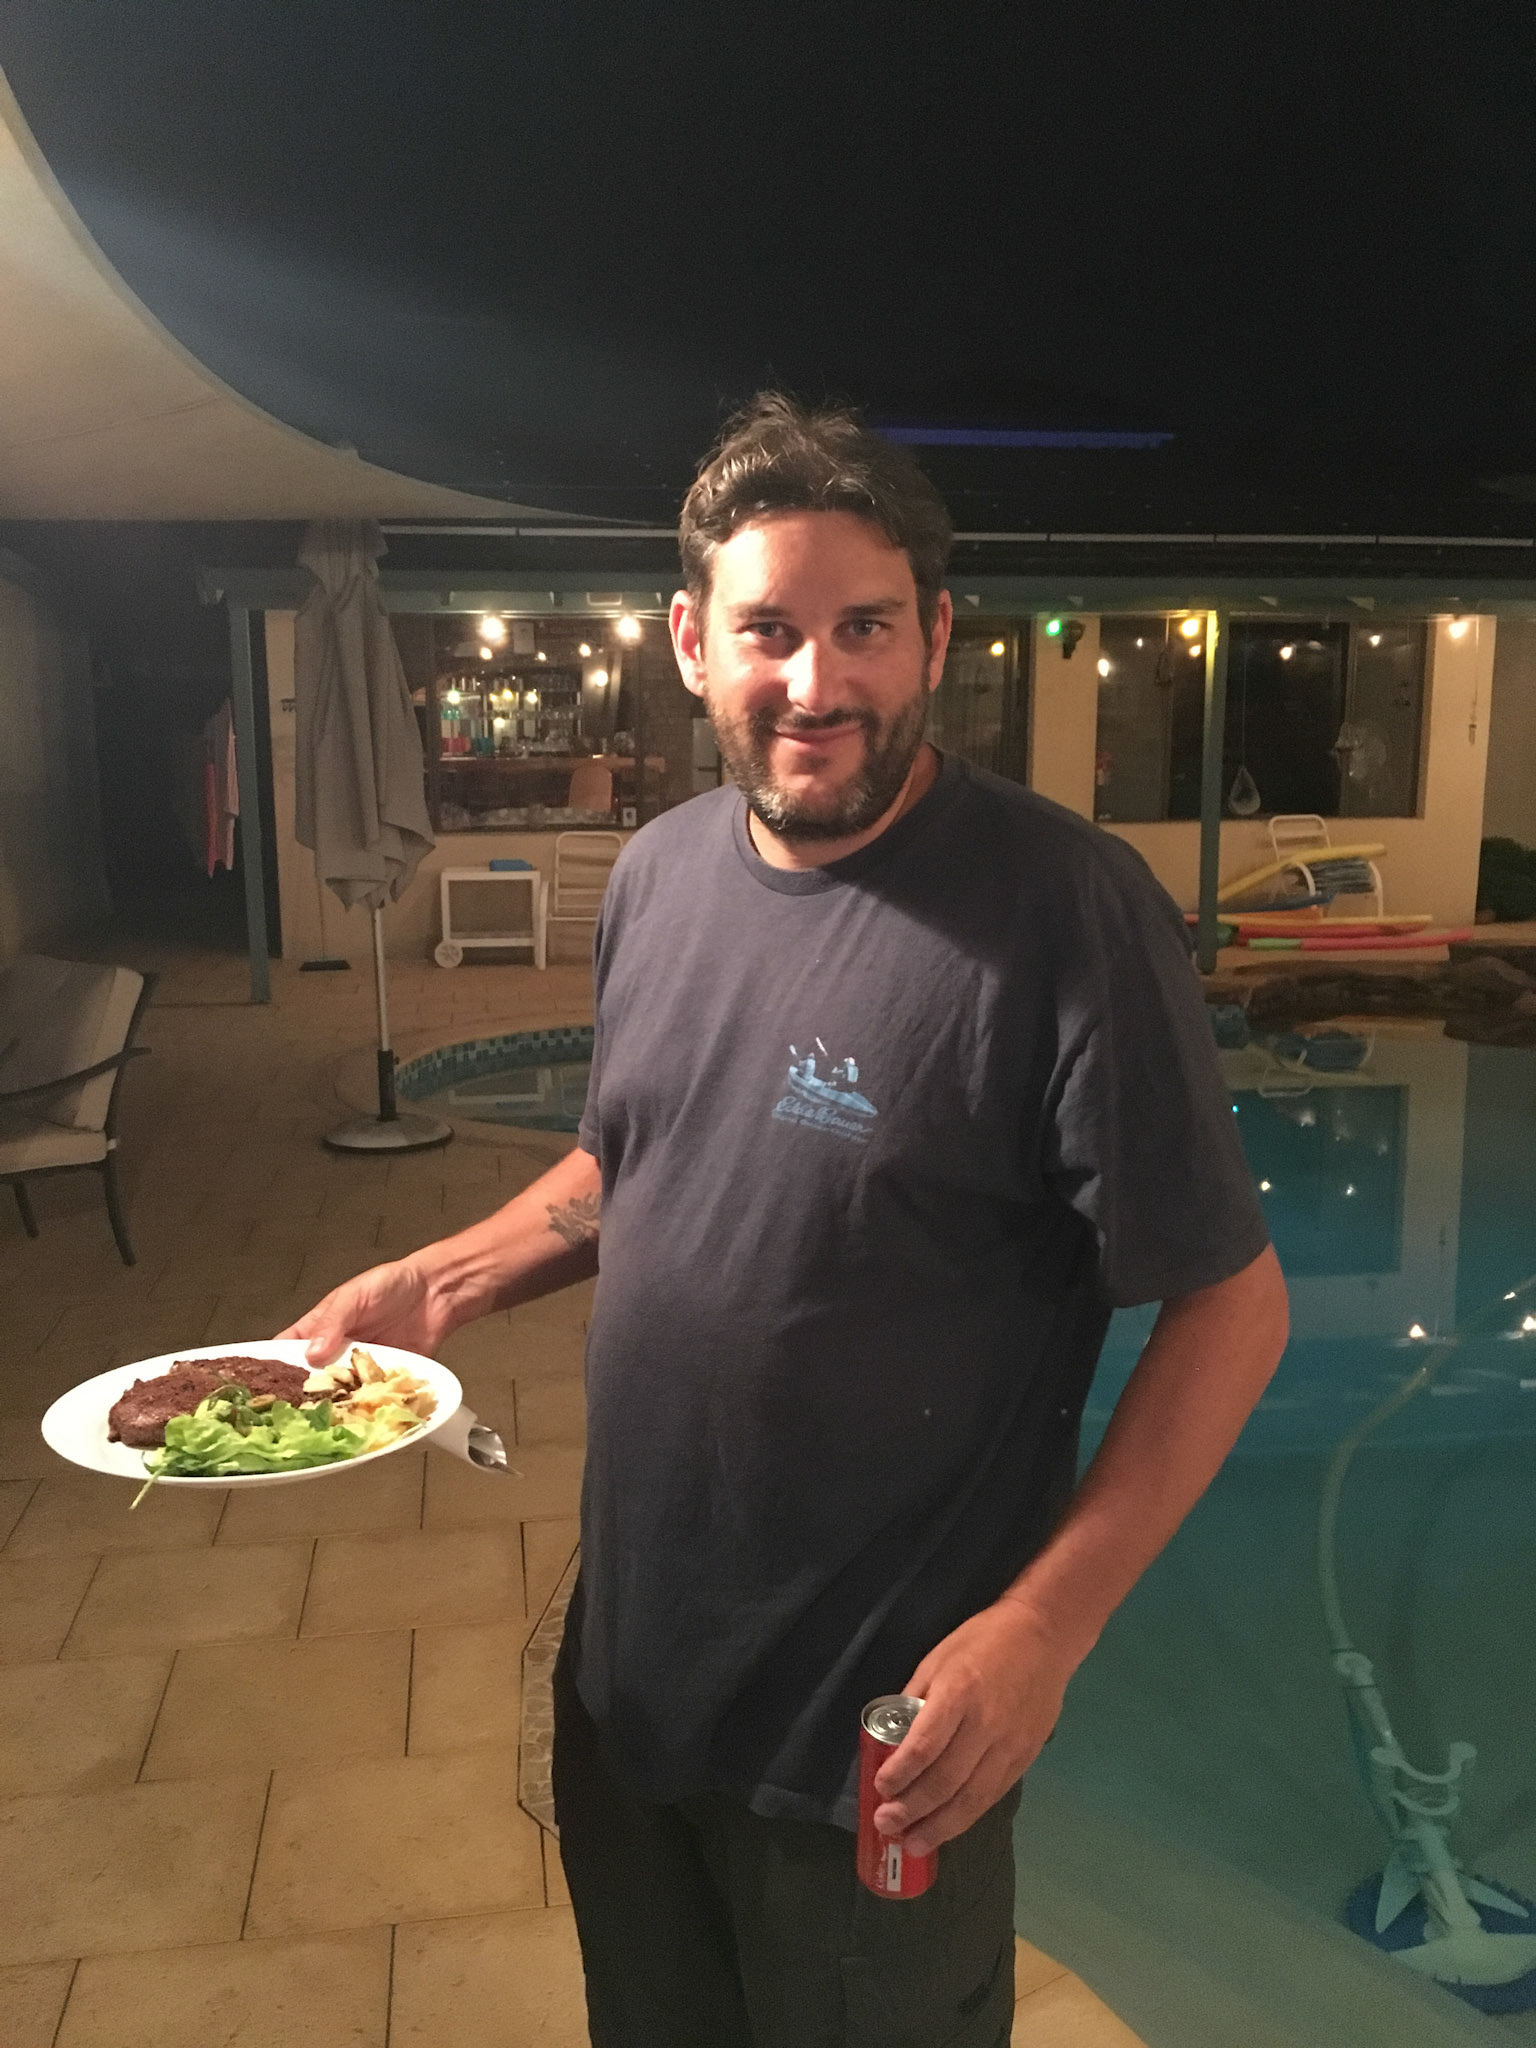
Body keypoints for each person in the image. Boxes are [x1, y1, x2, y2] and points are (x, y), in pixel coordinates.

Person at [285, 393, 1289, 2048]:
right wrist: (441, 1279)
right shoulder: (660, 878)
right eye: (770, 630)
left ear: (936, 636)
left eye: (865, 628)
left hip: (878, 1733)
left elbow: (1234, 1305)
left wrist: (1048, 1627)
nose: (818, 683)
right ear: (693, 642)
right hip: (633, 1684)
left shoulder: (1063, 910)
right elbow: (633, 1156)